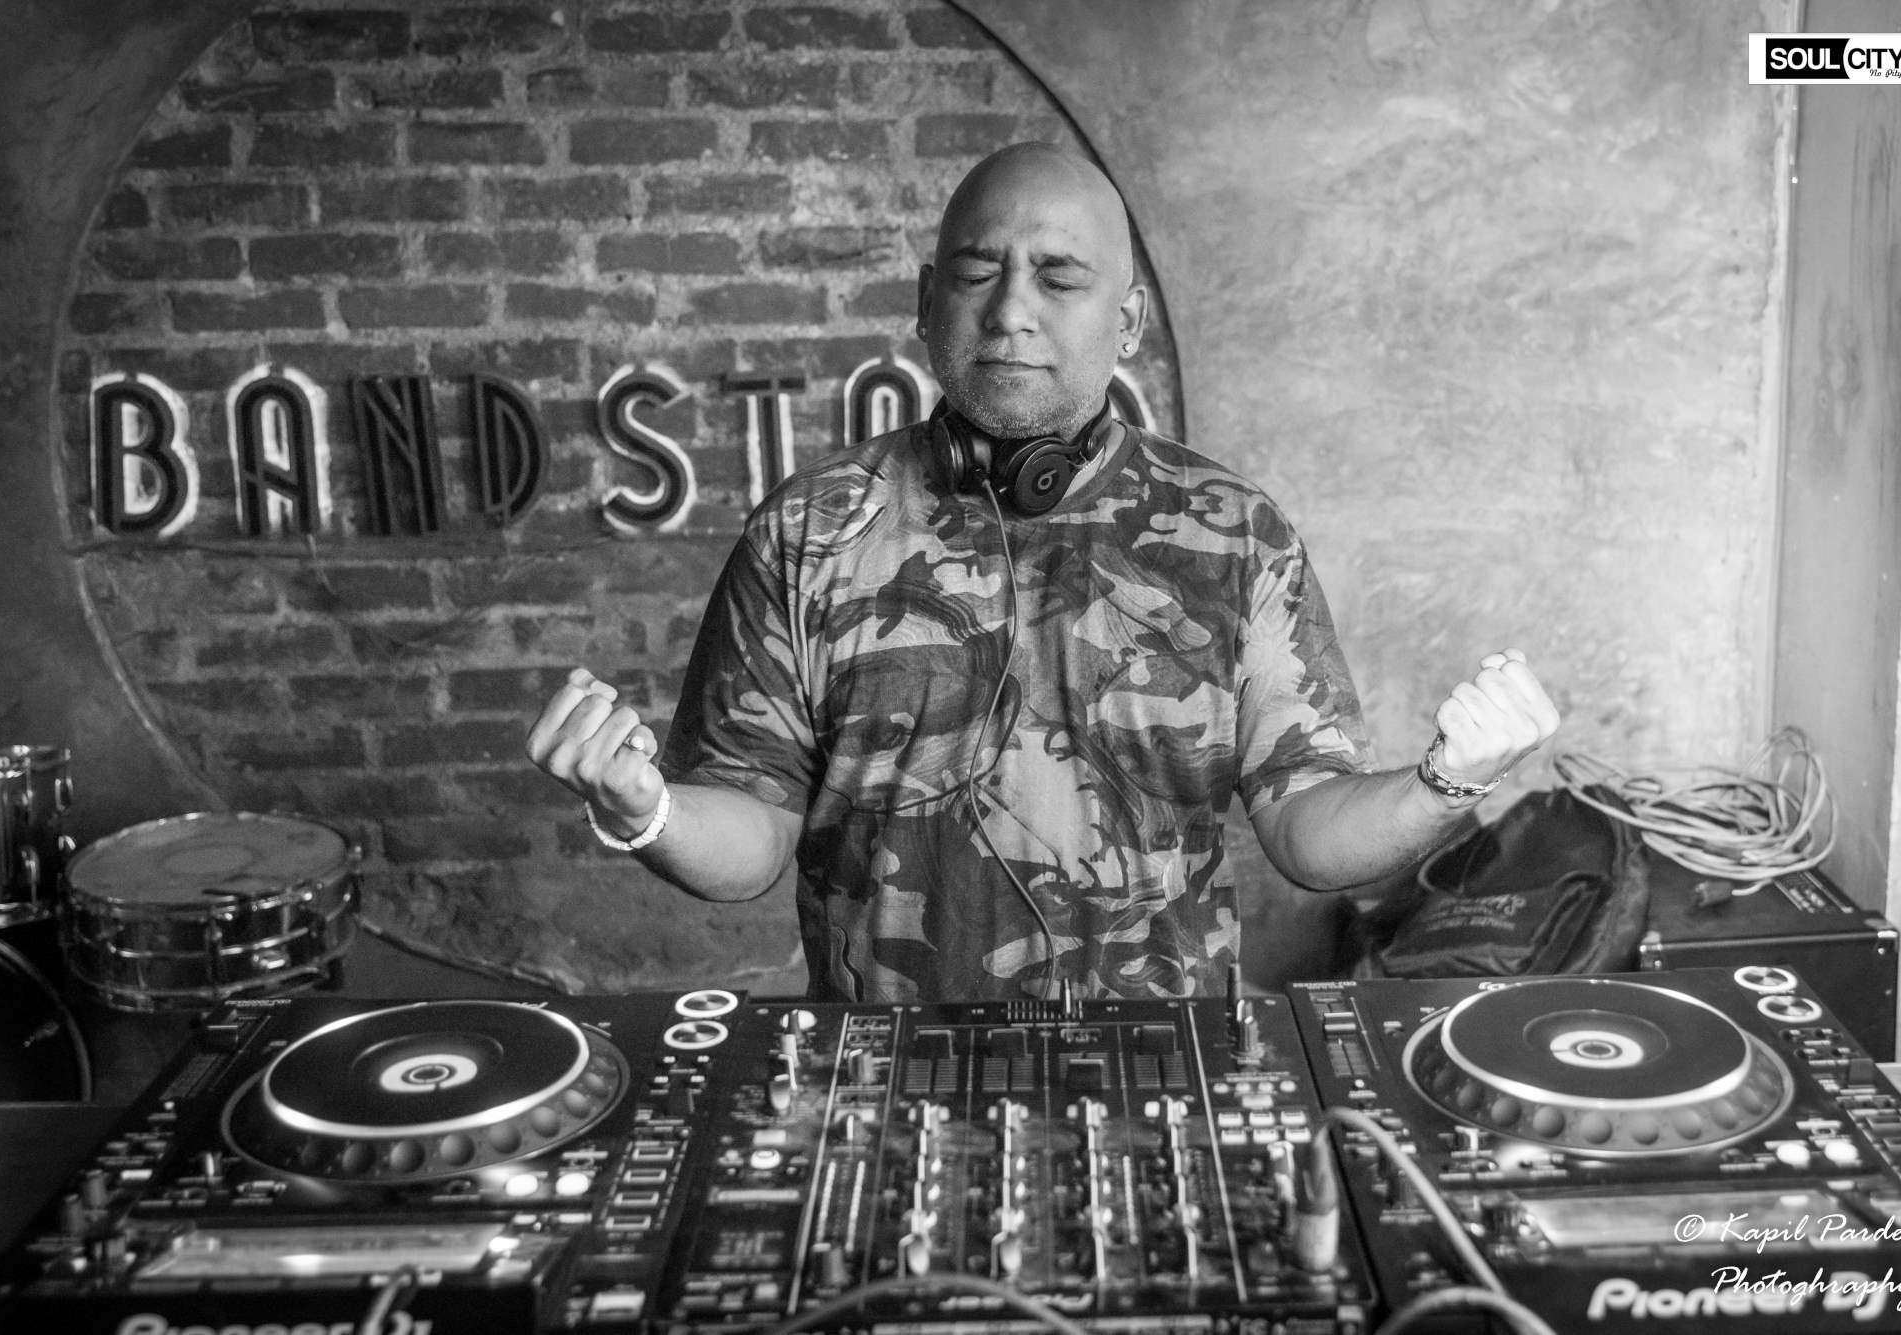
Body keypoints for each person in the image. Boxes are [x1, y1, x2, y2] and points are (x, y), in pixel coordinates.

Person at [526, 142, 1560, 1002]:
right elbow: (749, 834)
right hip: (881, 1079)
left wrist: (1446, 781)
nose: (1011, 309)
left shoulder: (1236, 533)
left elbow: (1306, 826)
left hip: (1164, 1072)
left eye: (1059, 277)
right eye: (978, 272)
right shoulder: (806, 530)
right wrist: (644, 809)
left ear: (1128, 322)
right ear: (927, 300)